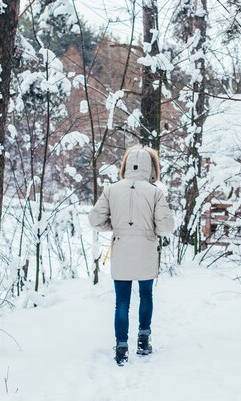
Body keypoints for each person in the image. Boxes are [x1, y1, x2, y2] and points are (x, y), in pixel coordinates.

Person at [89, 145, 175, 366]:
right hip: (146, 250)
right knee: (146, 296)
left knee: (122, 301)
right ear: (151, 167)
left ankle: (121, 347)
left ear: (126, 165)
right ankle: (144, 341)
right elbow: (165, 227)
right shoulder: (156, 192)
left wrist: (117, 227)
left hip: (121, 248)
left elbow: (95, 221)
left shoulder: (111, 190)